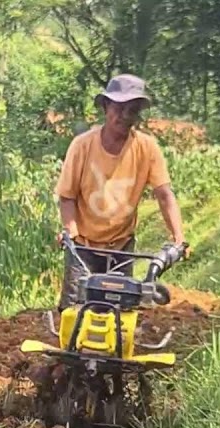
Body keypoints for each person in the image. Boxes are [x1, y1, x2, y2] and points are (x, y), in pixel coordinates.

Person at [52, 73, 189, 316]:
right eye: (119, 108)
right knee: (74, 310)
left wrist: (179, 238)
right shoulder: (82, 146)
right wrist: (70, 229)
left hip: (121, 247)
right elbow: (67, 196)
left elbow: (164, 194)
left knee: (121, 310)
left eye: (132, 110)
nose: (125, 116)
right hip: (83, 245)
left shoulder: (146, 148)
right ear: (106, 107)